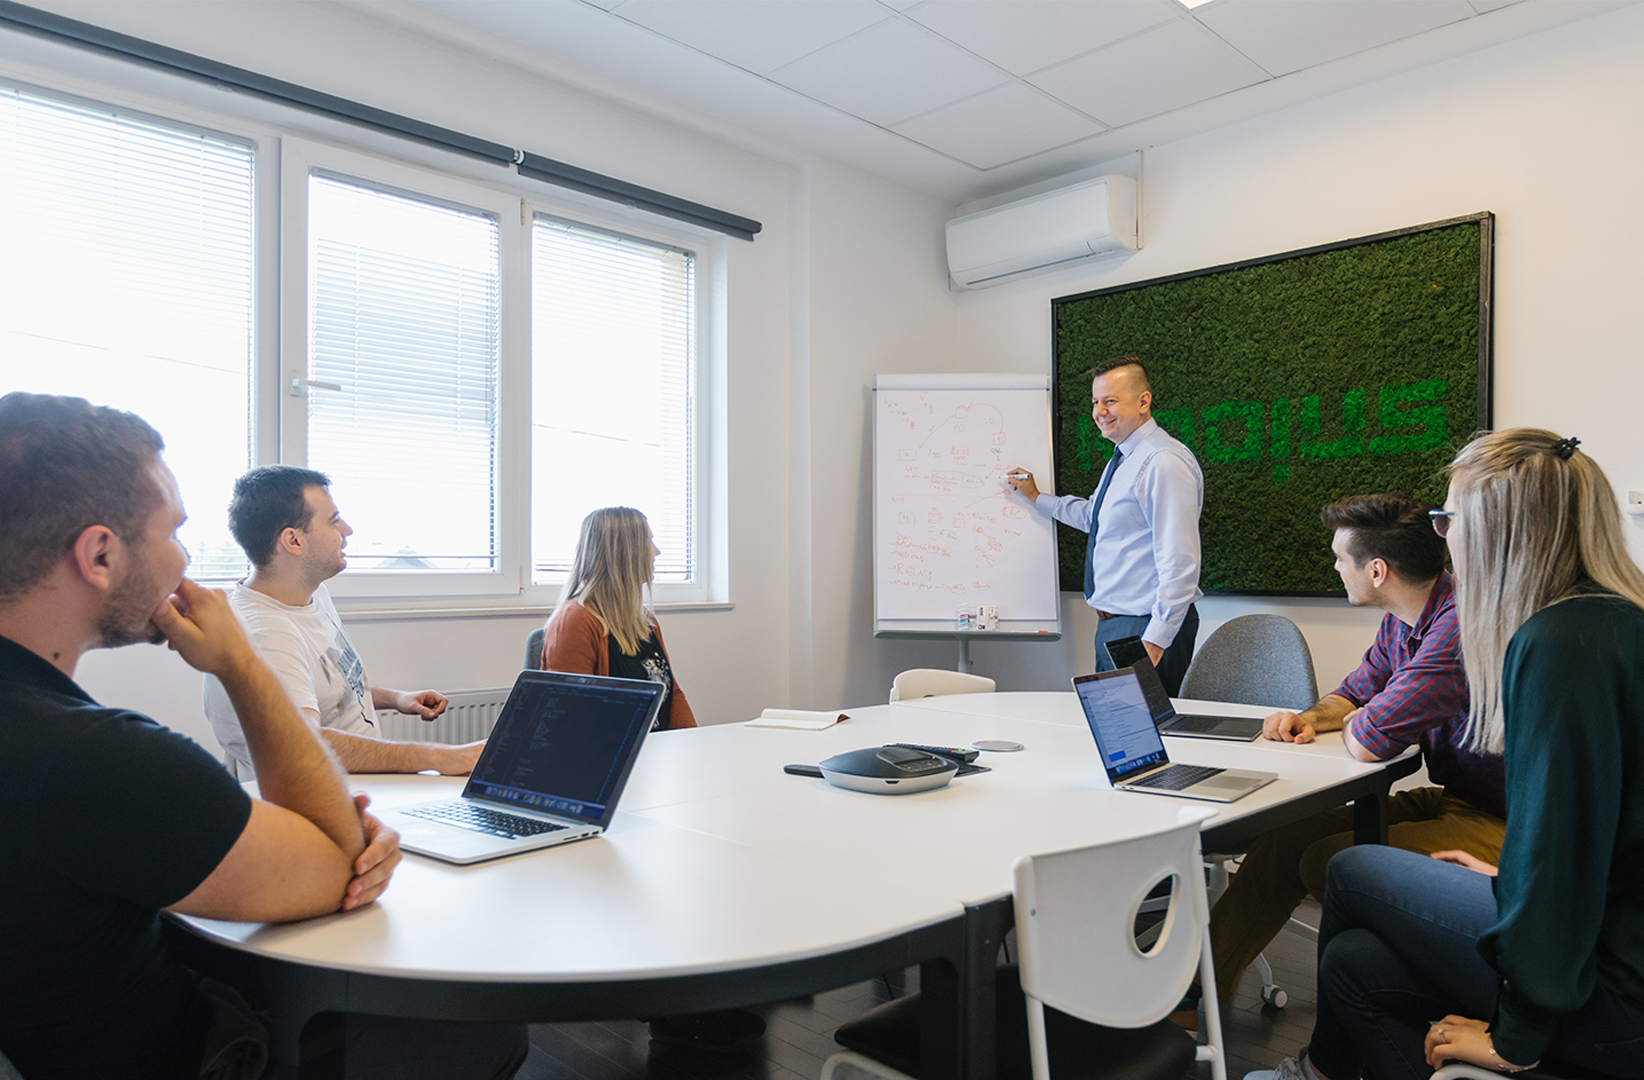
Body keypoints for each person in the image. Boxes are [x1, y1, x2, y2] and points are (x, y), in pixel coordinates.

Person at [0, 393, 525, 1080]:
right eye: (174, 533)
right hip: (211, 1053)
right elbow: (342, 864)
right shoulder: (101, 759)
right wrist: (239, 663)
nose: (186, 561)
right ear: (99, 555)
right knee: (493, 1037)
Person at [1250, 430, 1644, 1080]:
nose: (1442, 536)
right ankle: (1320, 1069)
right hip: (1606, 937)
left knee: (1349, 869)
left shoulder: (1560, 645)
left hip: (1616, 991)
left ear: (1495, 531)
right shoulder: (1603, 620)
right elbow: (1588, 838)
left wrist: (1517, 1038)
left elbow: (1562, 855)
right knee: (1352, 963)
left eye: (1448, 518)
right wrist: (1503, 881)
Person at [1205, 494, 1505, 1010]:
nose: (1336, 567)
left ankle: (1384, 1012)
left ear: (1377, 570)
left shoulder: (1459, 625)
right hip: (1455, 796)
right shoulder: (1405, 617)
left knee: (1328, 860)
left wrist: (1361, 721)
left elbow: (1369, 741)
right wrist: (1310, 717)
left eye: (1341, 559)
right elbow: (1355, 695)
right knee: (1283, 840)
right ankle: (1196, 997)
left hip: (1507, 823)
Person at [204, 465, 484, 779]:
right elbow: (303, 742)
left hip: (363, 787)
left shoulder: (312, 594)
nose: (347, 530)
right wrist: (437, 756)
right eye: (333, 520)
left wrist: (397, 699)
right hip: (320, 808)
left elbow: (327, 690)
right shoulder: (264, 633)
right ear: (294, 541)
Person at [1006, 355, 1203, 694]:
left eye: (1111, 401)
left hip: (1143, 628)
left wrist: (1155, 642)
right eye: (1096, 401)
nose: (1099, 411)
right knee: (1120, 737)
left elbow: (1181, 563)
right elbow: (1093, 517)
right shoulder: (1125, 460)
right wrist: (1036, 497)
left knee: (1143, 737)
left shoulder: (1162, 462)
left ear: (1144, 402)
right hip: (1115, 627)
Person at [541, 506, 697, 731]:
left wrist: (692, 744)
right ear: (624, 553)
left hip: (656, 753)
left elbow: (673, 694)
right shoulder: (575, 620)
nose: (656, 551)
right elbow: (570, 720)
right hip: (611, 760)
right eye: (649, 542)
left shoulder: (644, 620)